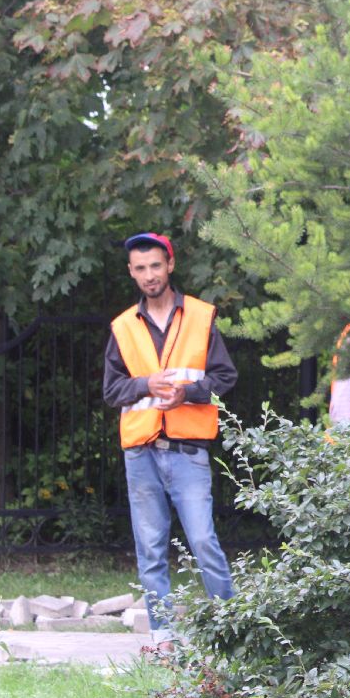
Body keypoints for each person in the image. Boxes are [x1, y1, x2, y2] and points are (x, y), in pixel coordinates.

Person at [102, 232, 236, 651]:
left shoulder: (200, 316)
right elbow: (111, 390)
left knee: (203, 540)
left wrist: (187, 393)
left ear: (170, 265)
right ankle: (163, 640)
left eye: (155, 266)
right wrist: (146, 384)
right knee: (151, 549)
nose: (149, 275)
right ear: (131, 272)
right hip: (140, 453)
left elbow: (225, 376)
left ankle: (233, 630)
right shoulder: (123, 326)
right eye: (140, 268)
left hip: (188, 451)